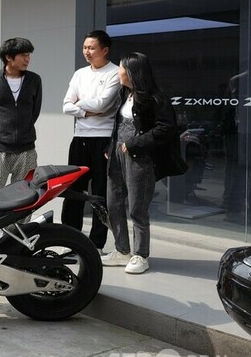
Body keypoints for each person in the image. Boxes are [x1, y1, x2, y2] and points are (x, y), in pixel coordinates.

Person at [101, 52, 180, 275]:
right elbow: (118, 125)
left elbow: (166, 128)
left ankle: (140, 255)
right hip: (117, 155)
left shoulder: (155, 98)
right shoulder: (124, 93)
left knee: (137, 208)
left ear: (132, 72)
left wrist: (135, 143)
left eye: (121, 68)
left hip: (140, 158)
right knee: (113, 203)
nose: (118, 72)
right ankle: (122, 250)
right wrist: (110, 147)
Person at [61, 30, 120, 253]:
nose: (87, 51)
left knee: (100, 193)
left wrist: (79, 104)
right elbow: (66, 105)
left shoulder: (114, 73)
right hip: (80, 138)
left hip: (103, 140)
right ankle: (69, 239)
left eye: (91, 48)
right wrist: (86, 111)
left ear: (105, 50)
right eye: (85, 47)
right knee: (73, 190)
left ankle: (96, 244)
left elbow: (103, 104)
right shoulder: (79, 74)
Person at [0, 38, 42, 192]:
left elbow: (35, 111)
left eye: (29, 55)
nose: (27, 59)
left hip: (26, 148)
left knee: (25, 193)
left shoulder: (34, 80)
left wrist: (24, 128)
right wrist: (0, 128)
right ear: (8, 57)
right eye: (23, 55)